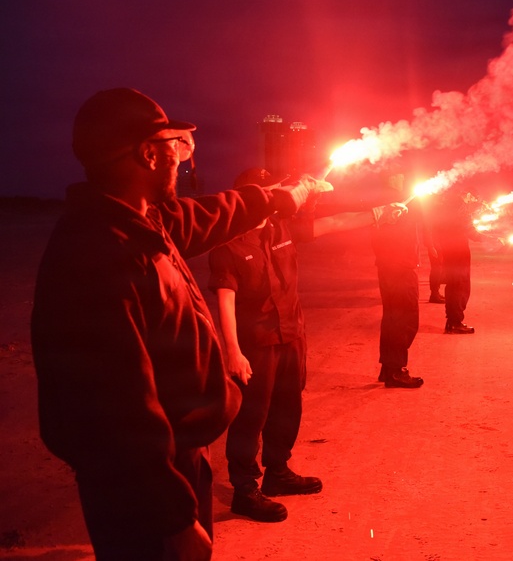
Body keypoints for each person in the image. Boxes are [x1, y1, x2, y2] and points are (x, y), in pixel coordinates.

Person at [30, 88, 326, 561]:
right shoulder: (99, 255)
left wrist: (278, 198)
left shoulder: (142, 221)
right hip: (144, 489)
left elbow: (212, 214)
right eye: (176, 149)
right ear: (148, 154)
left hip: (173, 466)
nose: (182, 162)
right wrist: (172, 518)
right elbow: (114, 414)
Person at [208, 167, 387, 523]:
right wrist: (233, 351)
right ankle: (244, 489)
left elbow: (333, 223)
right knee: (251, 415)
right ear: (246, 200)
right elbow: (225, 300)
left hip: (291, 335)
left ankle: (278, 473)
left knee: (288, 406)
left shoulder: (280, 229)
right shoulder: (226, 247)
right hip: (255, 343)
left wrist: (377, 213)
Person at [371, 171, 424, 388]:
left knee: (394, 318)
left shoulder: (388, 203)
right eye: (399, 174)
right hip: (398, 268)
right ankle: (395, 370)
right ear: (390, 177)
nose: (403, 178)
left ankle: (389, 368)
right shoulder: (391, 204)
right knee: (404, 320)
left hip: (393, 267)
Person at [430, 187, 480, 334]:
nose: (472, 199)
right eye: (471, 195)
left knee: (453, 285)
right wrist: (493, 240)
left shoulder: (446, 205)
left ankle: (452, 321)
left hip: (450, 250)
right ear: (465, 192)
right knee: (460, 286)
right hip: (459, 251)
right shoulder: (460, 207)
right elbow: (470, 231)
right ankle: (455, 322)